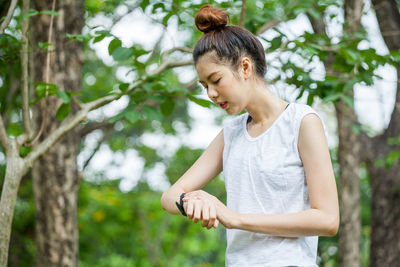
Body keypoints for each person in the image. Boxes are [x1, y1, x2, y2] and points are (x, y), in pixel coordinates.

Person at [161, 4, 339, 267]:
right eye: (204, 86)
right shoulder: (231, 134)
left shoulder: (301, 122)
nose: (210, 93)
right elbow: (169, 197)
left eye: (216, 80)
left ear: (245, 67)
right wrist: (193, 199)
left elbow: (327, 220)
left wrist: (236, 219)